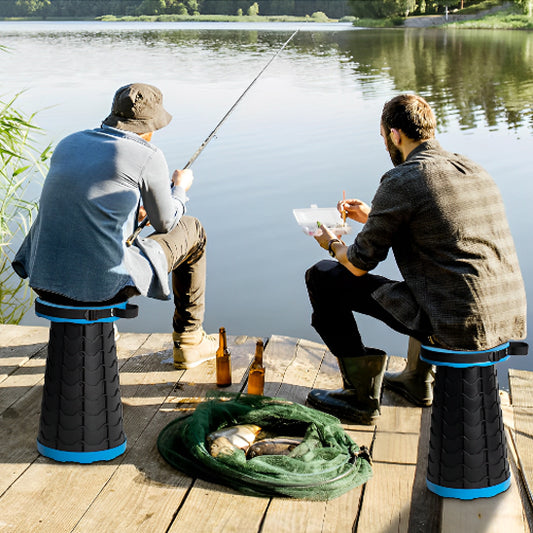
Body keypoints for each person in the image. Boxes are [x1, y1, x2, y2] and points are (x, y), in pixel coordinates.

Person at [305, 93, 527, 425]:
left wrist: (330, 242)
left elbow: (357, 263)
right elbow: (441, 230)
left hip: (457, 325)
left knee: (323, 276)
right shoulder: (471, 168)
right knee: (439, 272)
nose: (385, 146)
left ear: (395, 134)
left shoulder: (401, 179)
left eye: (383, 137)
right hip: (506, 315)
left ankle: (359, 398)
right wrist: (375, 216)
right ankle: (416, 379)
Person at [12, 82, 217, 369]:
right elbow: (166, 223)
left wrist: (136, 210)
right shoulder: (148, 154)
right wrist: (179, 191)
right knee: (193, 230)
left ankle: (104, 328)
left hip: (44, 277)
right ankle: (190, 341)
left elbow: (86, 207)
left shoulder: (69, 143)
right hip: (102, 287)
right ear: (150, 126)